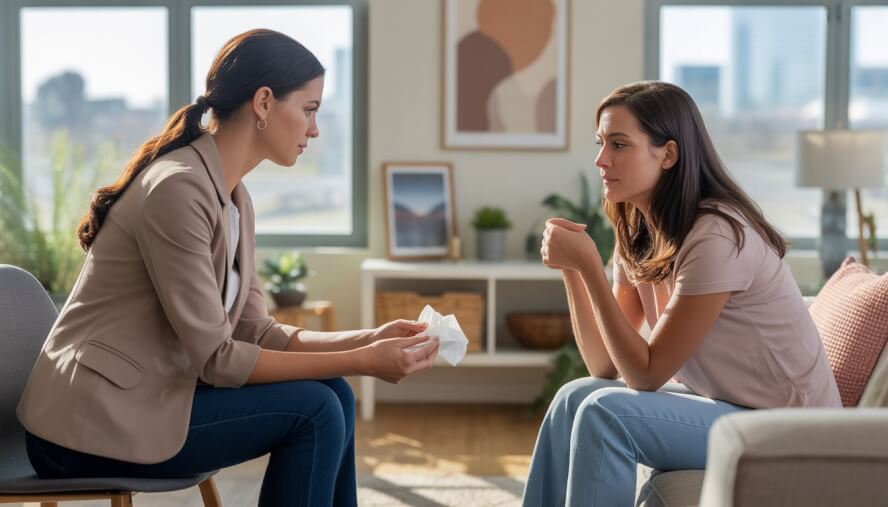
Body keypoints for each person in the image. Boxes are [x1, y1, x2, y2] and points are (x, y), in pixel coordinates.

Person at [16, 29, 439, 507]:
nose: (315, 130)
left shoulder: (234, 196)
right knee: (316, 408)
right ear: (263, 102)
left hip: (147, 402)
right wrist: (364, 362)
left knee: (335, 394)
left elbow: (257, 331)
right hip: (87, 426)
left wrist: (370, 339)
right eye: (309, 109)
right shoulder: (177, 188)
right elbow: (217, 359)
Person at [522, 81, 841, 507]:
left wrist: (589, 269)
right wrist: (572, 270)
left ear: (668, 154)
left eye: (619, 145)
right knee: (572, 397)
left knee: (606, 416)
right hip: (732, 408)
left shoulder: (716, 235)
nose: (601, 160)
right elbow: (603, 364)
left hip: (793, 434)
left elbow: (647, 374)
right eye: (600, 143)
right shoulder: (639, 229)